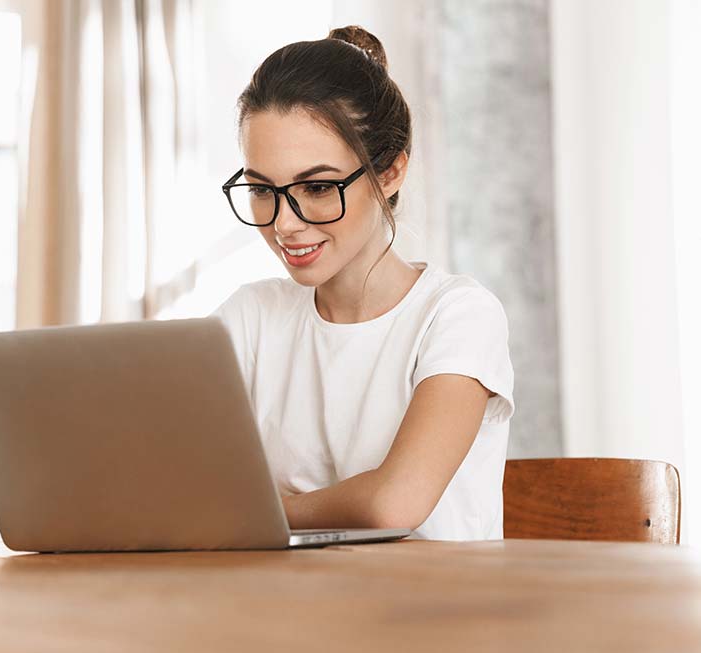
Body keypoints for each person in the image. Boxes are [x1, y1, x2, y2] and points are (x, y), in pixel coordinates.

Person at [213, 26, 515, 541]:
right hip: (286, 612)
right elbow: (175, 485)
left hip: (434, 614)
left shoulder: (458, 316)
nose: (284, 222)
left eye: (317, 187)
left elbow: (394, 504)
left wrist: (254, 512)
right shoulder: (249, 318)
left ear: (391, 171)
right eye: (262, 189)